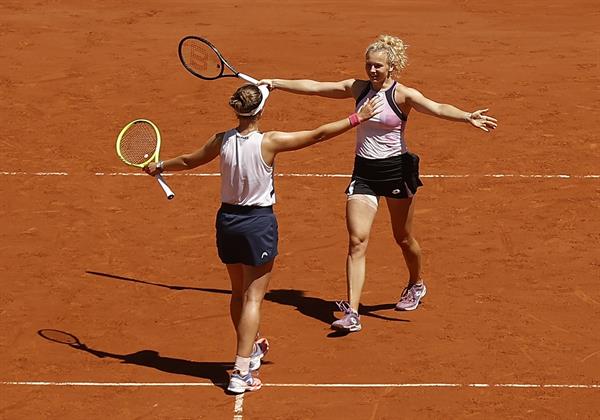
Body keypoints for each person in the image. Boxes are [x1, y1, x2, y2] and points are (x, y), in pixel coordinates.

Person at [144, 84, 382, 392]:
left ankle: (252, 347)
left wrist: (160, 166)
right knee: (254, 298)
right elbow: (318, 134)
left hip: (227, 222)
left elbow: (189, 160)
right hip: (257, 225)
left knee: (237, 295)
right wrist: (357, 118)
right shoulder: (270, 142)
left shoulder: (221, 140)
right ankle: (241, 372)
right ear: (260, 111)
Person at [259, 34, 498, 333]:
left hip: (396, 172)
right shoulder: (357, 89)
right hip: (364, 175)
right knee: (357, 240)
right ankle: (354, 312)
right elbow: (316, 87)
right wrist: (275, 82)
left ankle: (416, 283)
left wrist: (466, 116)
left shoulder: (402, 96)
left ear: (391, 67)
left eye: (378, 66)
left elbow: (436, 107)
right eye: (368, 65)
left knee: (403, 237)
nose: (372, 71)